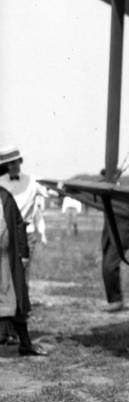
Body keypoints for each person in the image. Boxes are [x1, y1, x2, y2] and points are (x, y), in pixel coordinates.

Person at [0, 145, 47, 346]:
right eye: (8, 163)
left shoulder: (29, 183)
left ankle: (21, 337)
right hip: (5, 240)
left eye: (15, 161)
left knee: (19, 285)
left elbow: (53, 191)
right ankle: (6, 332)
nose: (13, 166)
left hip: (20, 240)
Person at [100, 213, 129, 312]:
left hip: (121, 234)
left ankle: (116, 301)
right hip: (109, 233)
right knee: (106, 267)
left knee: (109, 266)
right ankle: (114, 300)